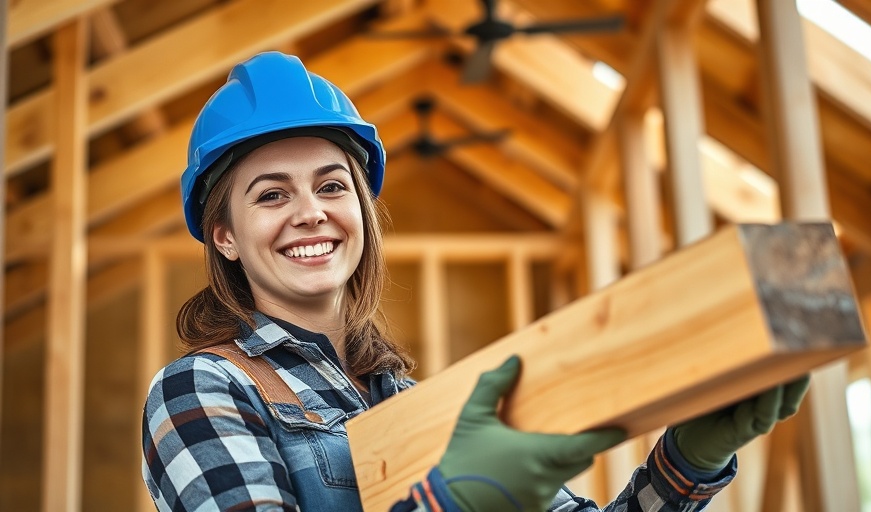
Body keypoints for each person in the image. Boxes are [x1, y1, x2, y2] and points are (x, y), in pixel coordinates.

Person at [141, 51, 810, 512]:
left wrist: (686, 463)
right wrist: (449, 501)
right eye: (270, 195)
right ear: (223, 234)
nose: (310, 211)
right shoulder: (201, 390)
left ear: (362, 212)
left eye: (330, 185)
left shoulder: (420, 404)